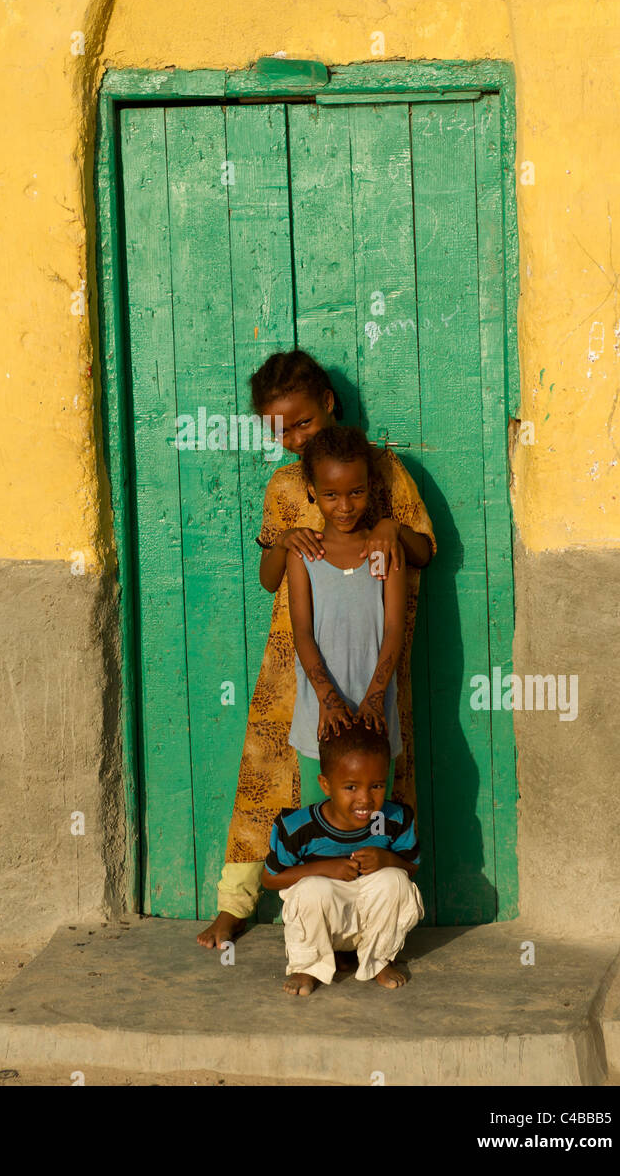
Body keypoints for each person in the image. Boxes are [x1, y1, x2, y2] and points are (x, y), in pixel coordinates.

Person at [196, 350, 435, 949]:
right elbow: (269, 574)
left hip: (374, 654)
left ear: (328, 403)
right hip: (296, 658)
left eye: (302, 423)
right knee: (267, 776)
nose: (293, 438)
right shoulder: (284, 484)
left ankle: (374, 909)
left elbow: (423, 550)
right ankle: (238, 900)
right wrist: (287, 539)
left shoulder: (384, 472)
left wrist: (391, 530)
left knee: (371, 780)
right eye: (280, 431)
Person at [286, 424, 406, 805]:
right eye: (331, 495)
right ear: (312, 492)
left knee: (373, 816)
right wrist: (328, 699)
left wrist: (375, 696)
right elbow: (302, 632)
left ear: (371, 487)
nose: (345, 506)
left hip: (377, 709)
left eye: (356, 492)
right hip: (320, 711)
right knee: (319, 819)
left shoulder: (382, 550)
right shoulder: (303, 555)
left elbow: (393, 630)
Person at [262, 724, 423, 995]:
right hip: (325, 924)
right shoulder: (298, 827)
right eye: (350, 787)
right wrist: (324, 868)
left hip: (368, 921)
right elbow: (269, 879)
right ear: (326, 785)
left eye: (376, 786)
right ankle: (308, 966)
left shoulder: (393, 819)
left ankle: (378, 960)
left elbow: (412, 866)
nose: (365, 799)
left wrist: (386, 860)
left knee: (396, 881)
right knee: (312, 888)